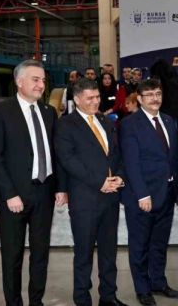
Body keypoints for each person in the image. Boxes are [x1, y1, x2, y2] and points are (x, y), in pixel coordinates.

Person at [0, 59, 68, 306]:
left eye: (43, 80)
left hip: (44, 193)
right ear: (19, 81)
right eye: (35, 79)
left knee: (40, 253)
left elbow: (56, 153)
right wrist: (9, 194)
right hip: (14, 196)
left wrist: (61, 187)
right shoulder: (0, 112)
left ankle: (36, 301)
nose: (41, 84)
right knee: (12, 256)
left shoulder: (49, 112)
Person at [55, 78, 128, 306]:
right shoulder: (66, 124)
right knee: (84, 254)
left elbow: (117, 153)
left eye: (97, 97)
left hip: (111, 197)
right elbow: (68, 160)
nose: (96, 102)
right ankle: (82, 299)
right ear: (77, 100)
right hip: (85, 199)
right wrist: (99, 182)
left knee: (109, 253)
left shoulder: (105, 120)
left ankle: (109, 296)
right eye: (90, 98)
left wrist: (120, 176)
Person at [120, 79, 178, 306]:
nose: (155, 98)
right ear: (139, 98)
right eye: (149, 95)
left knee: (159, 244)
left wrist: (176, 188)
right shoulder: (129, 124)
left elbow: (173, 157)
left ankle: (158, 282)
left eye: (158, 93)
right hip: (143, 196)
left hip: (167, 193)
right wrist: (142, 195)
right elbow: (131, 163)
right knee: (140, 246)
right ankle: (142, 289)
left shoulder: (169, 120)